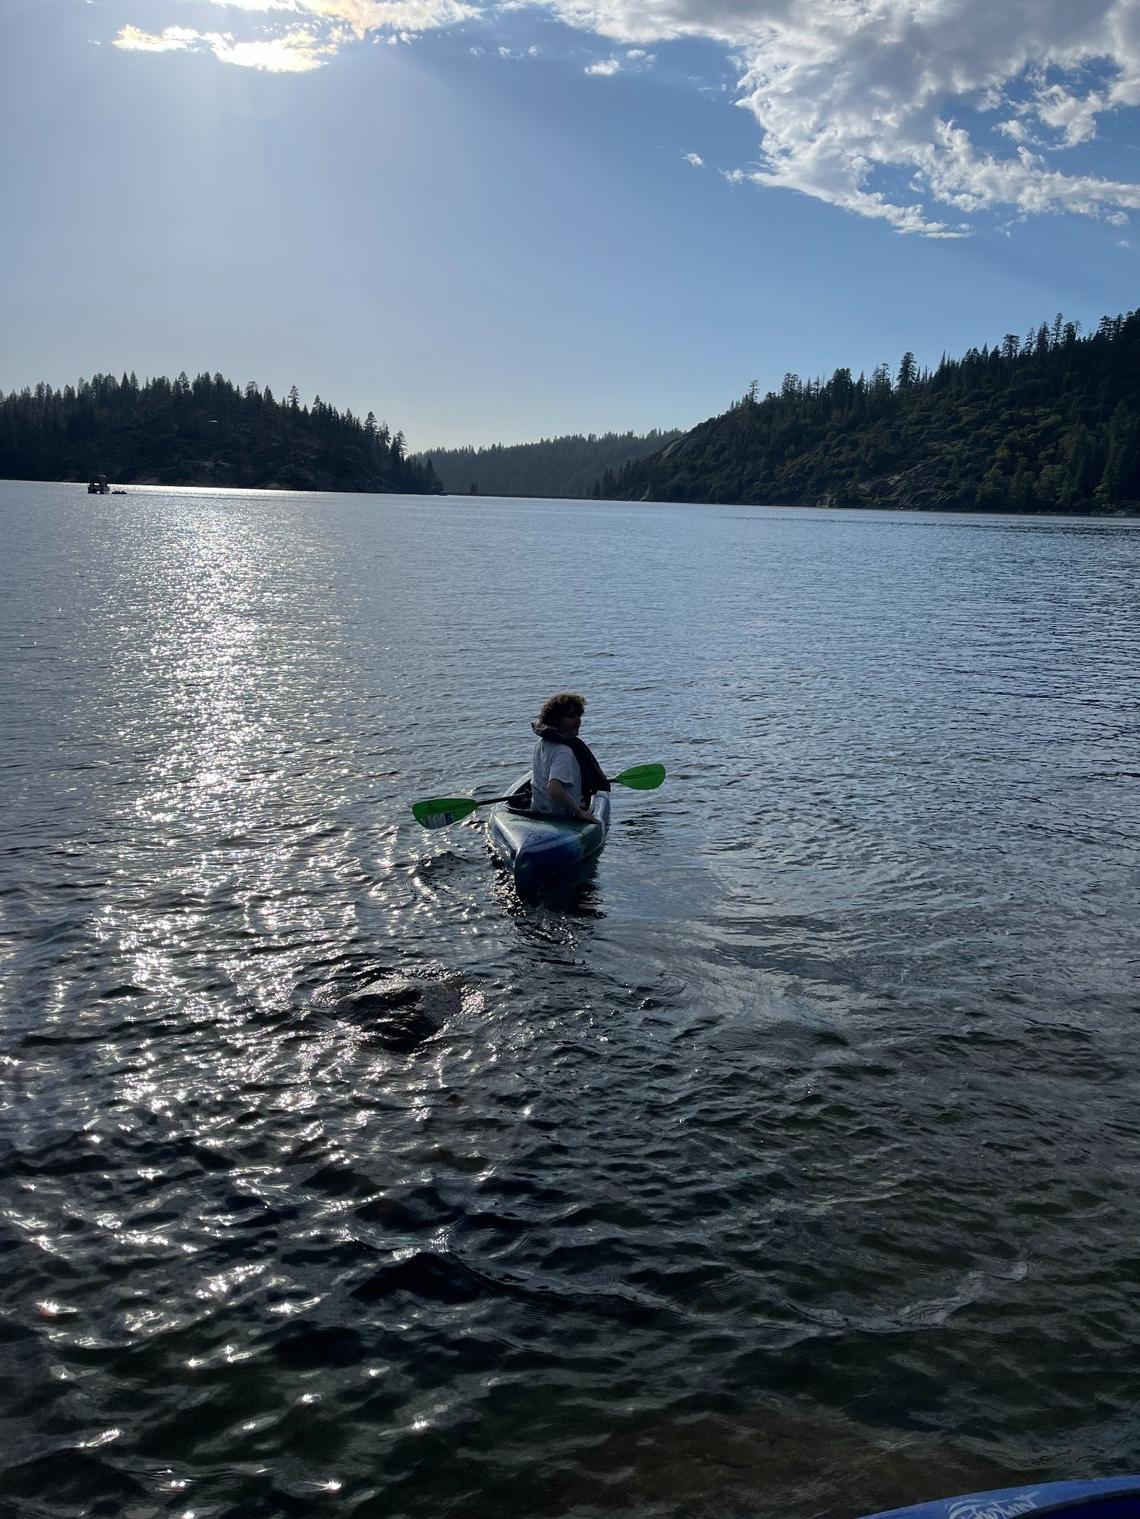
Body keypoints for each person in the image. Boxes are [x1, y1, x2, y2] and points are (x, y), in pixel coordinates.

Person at [529, 691, 610, 821]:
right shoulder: (564, 751)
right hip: (560, 817)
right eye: (571, 716)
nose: (577, 721)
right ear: (555, 720)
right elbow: (554, 789)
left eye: (578, 716)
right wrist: (579, 812)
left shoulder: (541, 743)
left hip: (539, 811)